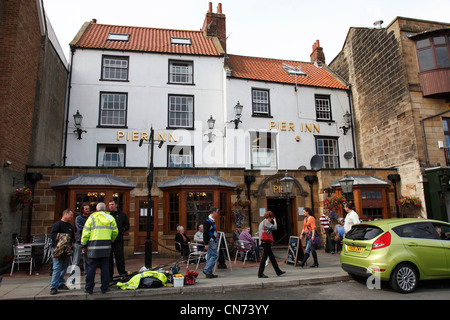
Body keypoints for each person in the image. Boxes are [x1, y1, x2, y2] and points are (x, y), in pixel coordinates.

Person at [81, 202, 118, 294]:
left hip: (94, 245)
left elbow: (86, 232)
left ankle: (89, 288)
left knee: (91, 267)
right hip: (106, 245)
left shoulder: (92, 218)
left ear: (97, 209)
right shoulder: (110, 218)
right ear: (105, 209)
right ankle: (104, 287)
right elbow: (115, 232)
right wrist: (111, 239)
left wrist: (84, 244)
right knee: (105, 267)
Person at [49, 209, 75, 295]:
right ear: (65, 214)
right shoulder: (57, 225)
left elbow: (72, 238)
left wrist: (72, 243)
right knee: (57, 268)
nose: (72, 217)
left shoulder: (70, 226)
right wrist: (63, 238)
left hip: (67, 250)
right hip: (58, 250)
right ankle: (53, 287)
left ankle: (60, 283)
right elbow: (52, 236)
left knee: (64, 268)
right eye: (71, 215)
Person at [258, 211, 285, 278]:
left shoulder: (262, 222)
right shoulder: (266, 222)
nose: (272, 219)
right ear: (269, 217)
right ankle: (260, 274)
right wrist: (275, 221)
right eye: (272, 218)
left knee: (272, 257)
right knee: (264, 258)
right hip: (265, 242)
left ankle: (278, 271)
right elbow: (275, 227)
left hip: (264, 242)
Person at [108, 199, 130, 279]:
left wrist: (121, 230)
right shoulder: (107, 215)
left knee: (119, 257)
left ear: (116, 205)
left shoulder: (122, 215)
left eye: (112, 204)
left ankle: (122, 273)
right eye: (109, 205)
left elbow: (127, 225)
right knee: (109, 258)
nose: (110, 206)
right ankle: (109, 275)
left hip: (118, 239)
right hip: (109, 239)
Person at [70, 202, 90, 276]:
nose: (88, 210)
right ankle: (72, 278)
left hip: (88, 242)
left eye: (88, 209)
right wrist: (88, 229)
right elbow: (79, 227)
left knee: (87, 261)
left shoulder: (90, 218)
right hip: (79, 241)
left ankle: (87, 278)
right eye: (86, 209)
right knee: (75, 261)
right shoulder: (78, 218)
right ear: (82, 210)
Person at [203, 206, 219, 278]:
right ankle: (206, 269)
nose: (217, 214)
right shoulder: (207, 221)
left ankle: (209, 273)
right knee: (215, 255)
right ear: (213, 212)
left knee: (209, 256)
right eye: (217, 212)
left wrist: (215, 240)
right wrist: (206, 243)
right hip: (210, 241)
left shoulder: (212, 221)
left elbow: (213, 232)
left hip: (212, 240)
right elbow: (205, 232)